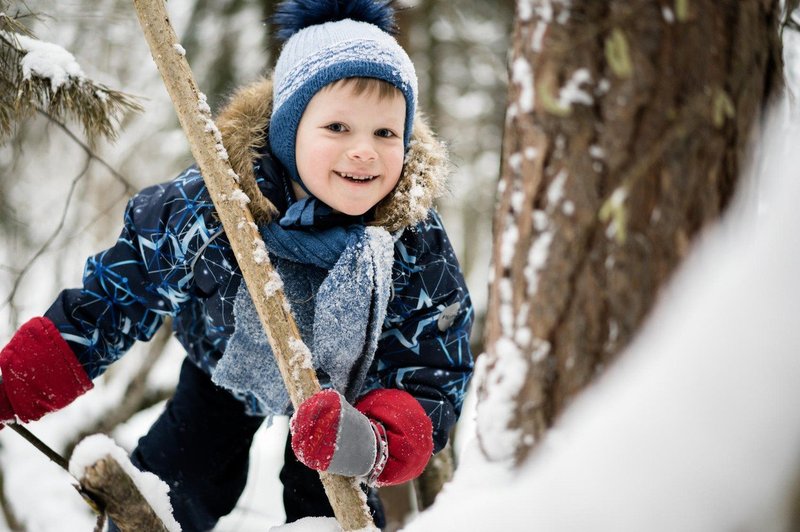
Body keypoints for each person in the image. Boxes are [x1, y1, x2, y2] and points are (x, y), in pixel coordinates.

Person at [0, 0, 474, 529]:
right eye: (338, 127)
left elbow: (434, 362)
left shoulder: (408, 238)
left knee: (329, 503)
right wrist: (15, 382)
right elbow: (117, 295)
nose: (364, 151)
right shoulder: (217, 204)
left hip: (343, 407)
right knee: (186, 470)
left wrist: (375, 441)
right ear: (287, 130)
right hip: (222, 368)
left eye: (386, 134)